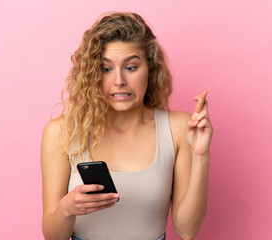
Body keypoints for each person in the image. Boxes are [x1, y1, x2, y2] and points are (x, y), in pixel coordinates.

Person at [41, 12, 213, 240]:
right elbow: (53, 237)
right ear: (92, 73)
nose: (119, 80)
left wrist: (201, 156)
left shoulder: (177, 127)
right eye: (106, 69)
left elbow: (187, 230)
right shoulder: (60, 132)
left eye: (131, 67)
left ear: (149, 70)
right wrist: (67, 208)